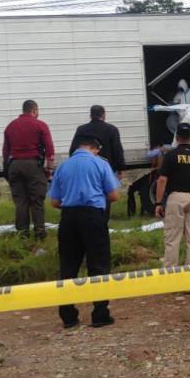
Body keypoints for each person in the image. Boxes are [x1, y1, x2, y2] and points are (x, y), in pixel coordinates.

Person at [49, 134, 120, 328]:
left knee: (68, 265)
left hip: (69, 218)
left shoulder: (63, 166)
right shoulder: (100, 164)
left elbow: (55, 201)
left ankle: (68, 316)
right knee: (98, 265)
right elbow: (113, 195)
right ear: (95, 149)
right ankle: (99, 314)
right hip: (93, 217)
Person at [155, 123, 190, 267]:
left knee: (172, 239)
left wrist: (158, 203)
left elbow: (162, 180)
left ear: (177, 137)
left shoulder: (170, 156)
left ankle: (170, 277)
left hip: (176, 198)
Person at [3, 100, 55, 240]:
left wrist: (7, 169)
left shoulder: (10, 126)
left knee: (20, 202)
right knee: (37, 201)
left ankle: (22, 234)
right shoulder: (40, 125)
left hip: (14, 165)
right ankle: (39, 233)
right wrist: (49, 168)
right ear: (34, 110)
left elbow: (5, 151)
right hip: (33, 165)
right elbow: (49, 148)